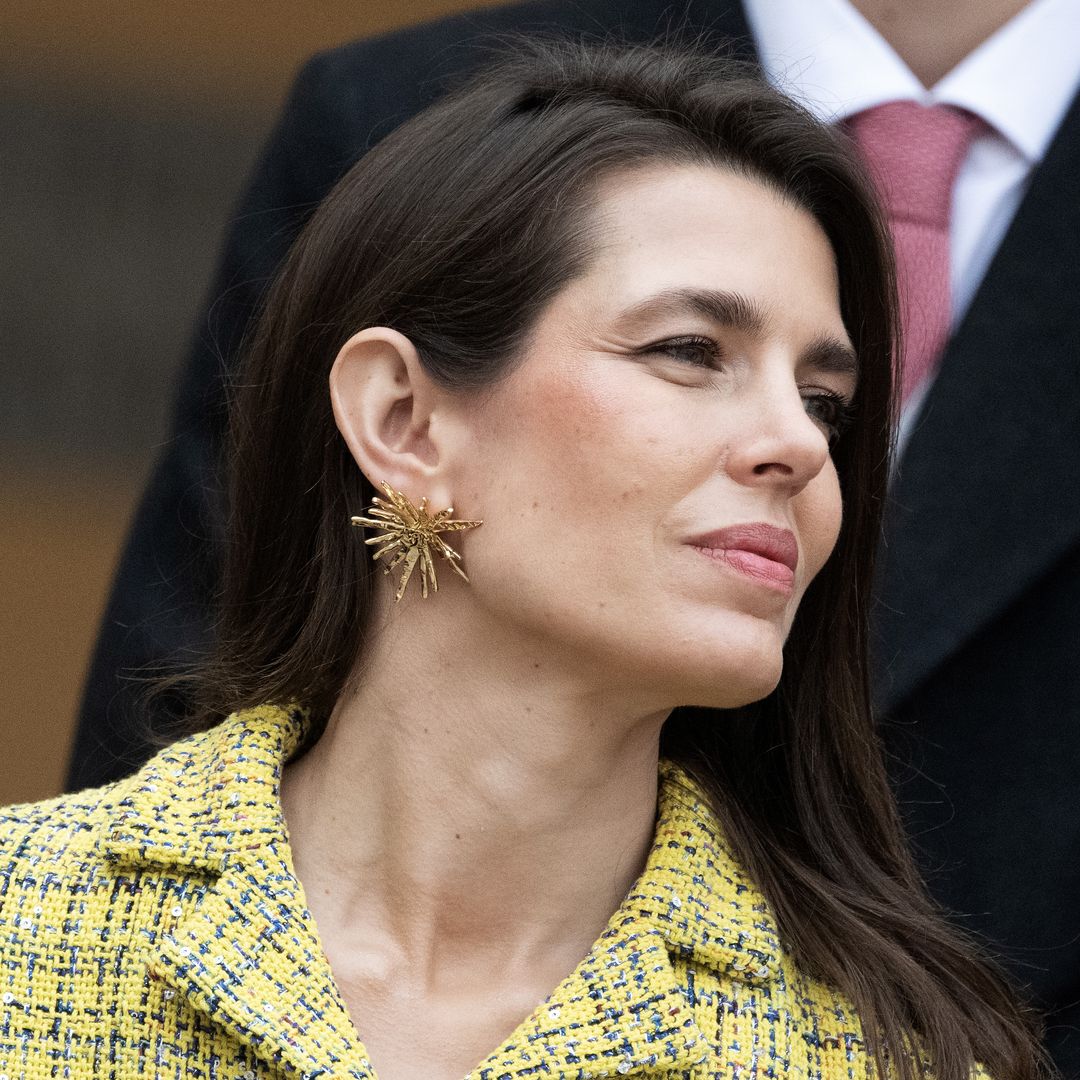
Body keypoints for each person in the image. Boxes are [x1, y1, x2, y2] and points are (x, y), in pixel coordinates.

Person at [1, 39, 1046, 1079]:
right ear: (405, 422)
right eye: (690, 351)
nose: (801, 446)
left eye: (827, 404)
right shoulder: (28, 932)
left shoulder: (893, 1062)